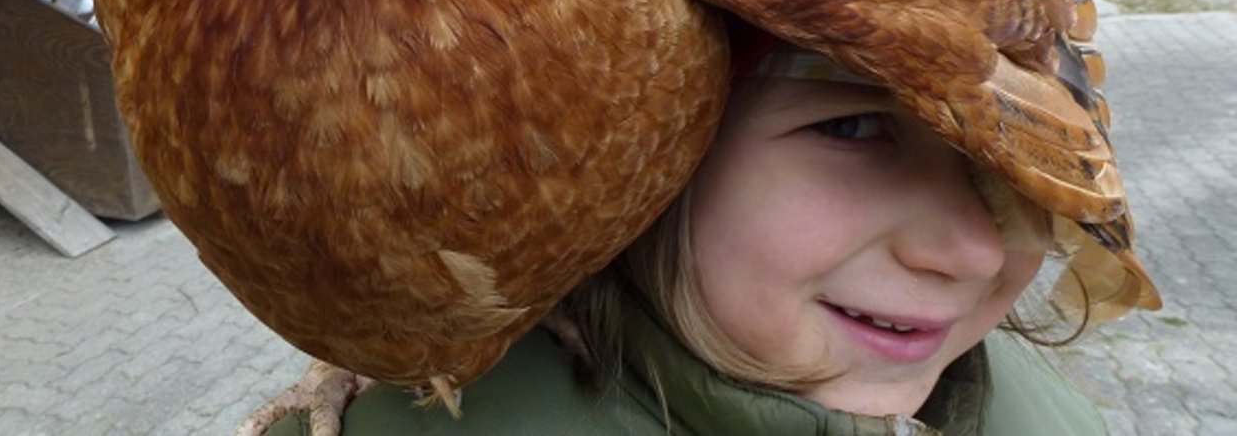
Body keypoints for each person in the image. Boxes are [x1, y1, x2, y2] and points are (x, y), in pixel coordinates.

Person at [261, 32, 1111, 435]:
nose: (977, 250)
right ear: (653, 156)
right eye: (852, 129)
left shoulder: (1039, 417)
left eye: (1011, 165)